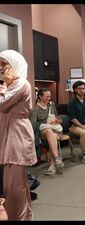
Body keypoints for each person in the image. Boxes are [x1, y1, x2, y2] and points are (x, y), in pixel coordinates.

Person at [0, 49, 37, 220]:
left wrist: (3, 84)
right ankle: (24, 215)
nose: (1, 67)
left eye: (4, 63)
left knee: (13, 185)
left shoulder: (21, 83)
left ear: (14, 64)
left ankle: (15, 217)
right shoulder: (12, 83)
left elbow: (2, 103)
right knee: (18, 182)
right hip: (10, 131)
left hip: (16, 133)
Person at [30, 88, 64, 175]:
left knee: (52, 137)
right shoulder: (36, 109)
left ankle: (52, 165)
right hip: (43, 131)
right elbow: (32, 124)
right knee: (49, 132)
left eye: (50, 96)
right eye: (46, 97)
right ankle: (57, 158)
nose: (49, 98)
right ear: (40, 97)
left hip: (55, 130)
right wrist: (46, 122)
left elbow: (57, 116)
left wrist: (58, 120)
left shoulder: (51, 105)